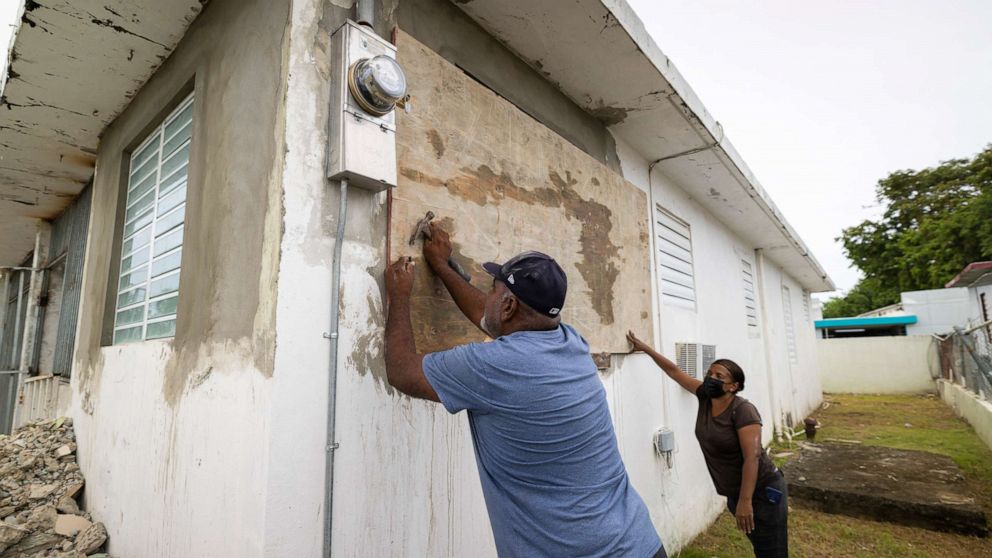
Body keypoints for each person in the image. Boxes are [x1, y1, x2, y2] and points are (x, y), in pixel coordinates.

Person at [383, 222, 665, 558]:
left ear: (508, 307)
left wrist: (399, 296)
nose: (487, 297)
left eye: (493, 290)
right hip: (638, 542)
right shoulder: (571, 342)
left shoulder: (493, 367)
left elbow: (401, 371)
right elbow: (488, 316)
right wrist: (442, 267)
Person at [625, 331, 787, 558]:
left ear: (733, 386)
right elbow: (674, 371)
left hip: (761, 492)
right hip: (736, 493)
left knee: (772, 551)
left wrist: (745, 501)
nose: (711, 378)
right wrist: (646, 348)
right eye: (709, 373)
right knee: (761, 547)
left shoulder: (743, 410)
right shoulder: (705, 396)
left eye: (719, 376)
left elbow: (753, 457)